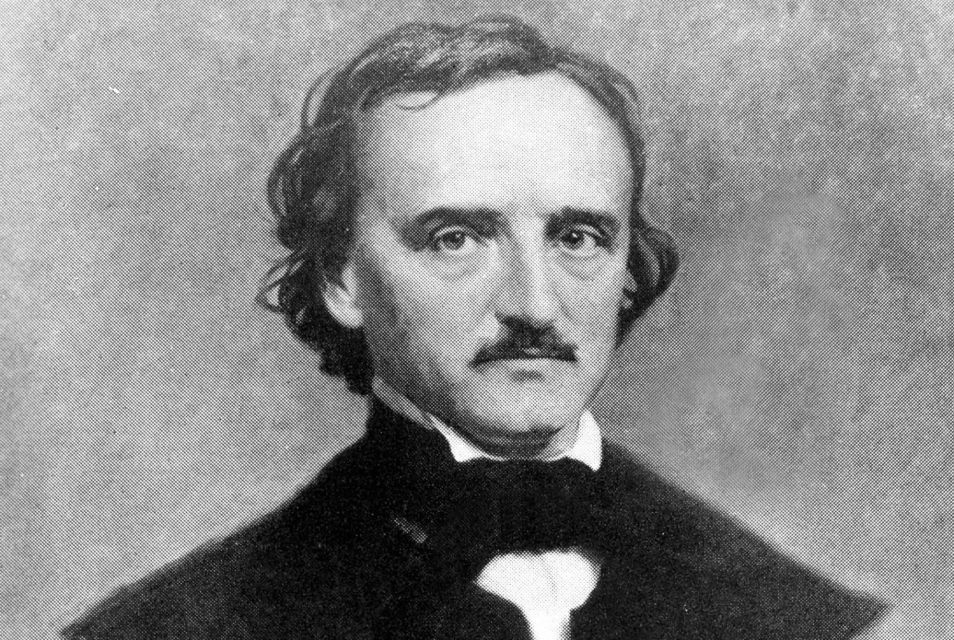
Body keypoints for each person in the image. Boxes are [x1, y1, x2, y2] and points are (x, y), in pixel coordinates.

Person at [63, 17, 886, 640]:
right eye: (456, 238)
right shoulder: (179, 627)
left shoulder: (788, 616)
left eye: (577, 237)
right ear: (342, 277)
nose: (534, 304)